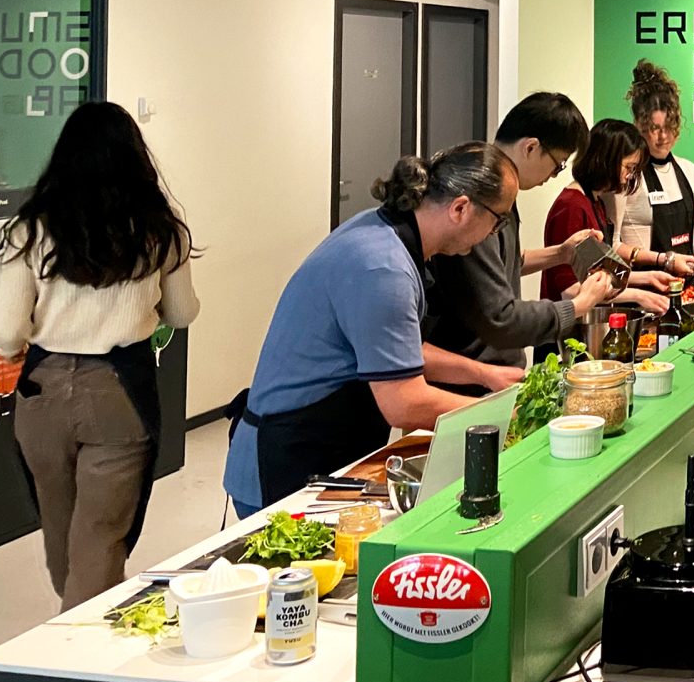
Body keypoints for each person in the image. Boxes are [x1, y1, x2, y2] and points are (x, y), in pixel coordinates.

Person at [223, 144, 526, 518]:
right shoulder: (384, 267)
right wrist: (501, 415)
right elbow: (403, 402)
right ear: (460, 208)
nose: (494, 234)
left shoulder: (384, 233)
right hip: (286, 460)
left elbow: (395, 349)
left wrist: (483, 373)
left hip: (319, 447)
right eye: (498, 220)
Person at [0, 102, 200, 610]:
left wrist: (24, 339)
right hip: (119, 390)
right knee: (100, 537)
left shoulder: (29, 231)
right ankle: (78, 640)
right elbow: (182, 313)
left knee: (61, 534)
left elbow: (7, 332)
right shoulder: (160, 230)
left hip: (42, 392)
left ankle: (73, 624)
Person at [423, 93, 618, 369]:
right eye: (558, 164)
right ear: (531, 147)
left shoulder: (498, 193)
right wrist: (580, 304)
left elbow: (505, 263)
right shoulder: (481, 199)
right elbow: (500, 318)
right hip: (475, 375)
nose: (554, 175)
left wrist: (561, 253)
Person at [539, 118, 687, 310]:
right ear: (605, 160)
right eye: (629, 168)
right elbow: (570, 290)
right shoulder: (571, 206)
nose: (629, 176)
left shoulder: (595, 202)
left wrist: (649, 277)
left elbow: (602, 274)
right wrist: (639, 295)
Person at [619, 60, 694, 266]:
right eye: (654, 128)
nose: (663, 136)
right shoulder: (626, 173)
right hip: (641, 282)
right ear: (638, 125)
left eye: (669, 126)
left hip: (683, 282)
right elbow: (612, 245)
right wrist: (665, 260)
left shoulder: (689, 171)